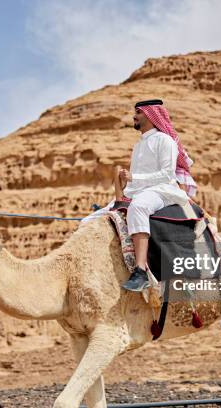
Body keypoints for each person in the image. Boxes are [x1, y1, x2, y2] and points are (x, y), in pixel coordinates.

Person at [81, 99, 197, 291]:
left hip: (162, 190)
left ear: (151, 116)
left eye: (139, 112)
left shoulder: (165, 140)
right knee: (90, 220)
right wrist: (127, 183)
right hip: (138, 191)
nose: (134, 116)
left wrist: (134, 177)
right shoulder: (139, 145)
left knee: (139, 207)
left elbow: (167, 174)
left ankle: (141, 271)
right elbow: (137, 179)